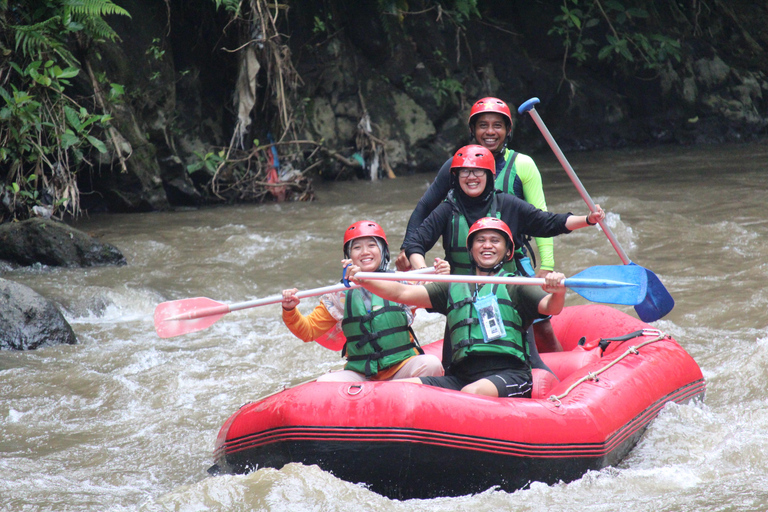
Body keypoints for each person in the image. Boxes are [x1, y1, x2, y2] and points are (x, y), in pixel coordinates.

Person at [396, 97, 563, 350]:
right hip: (468, 264)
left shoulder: (523, 165)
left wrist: (547, 264)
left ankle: (549, 371)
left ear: (508, 131)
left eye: (498, 125)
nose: (490, 132)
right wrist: (408, 247)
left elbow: (541, 218)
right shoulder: (458, 165)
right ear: (472, 130)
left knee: (541, 324)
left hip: (512, 258)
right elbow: (425, 207)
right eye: (483, 125)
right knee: (464, 319)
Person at [348, 217, 567, 398]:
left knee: (471, 392)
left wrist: (558, 291)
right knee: (400, 390)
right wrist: (362, 279)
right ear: (471, 250)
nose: (487, 245)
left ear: (507, 250)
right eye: (480, 240)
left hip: (509, 375)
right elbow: (402, 293)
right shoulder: (452, 287)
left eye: (495, 240)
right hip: (462, 376)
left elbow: (551, 307)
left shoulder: (516, 286)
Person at [281, 220, 446, 382]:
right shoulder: (339, 295)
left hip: (402, 367)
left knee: (430, 364)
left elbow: (437, 296)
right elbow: (308, 331)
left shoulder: (402, 281)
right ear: (349, 256)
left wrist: (442, 275)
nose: (365, 252)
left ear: (383, 251)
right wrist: (290, 310)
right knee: (325, 382)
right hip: (362, 375)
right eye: (357, 247)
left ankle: (399, 393)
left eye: (372, 245)